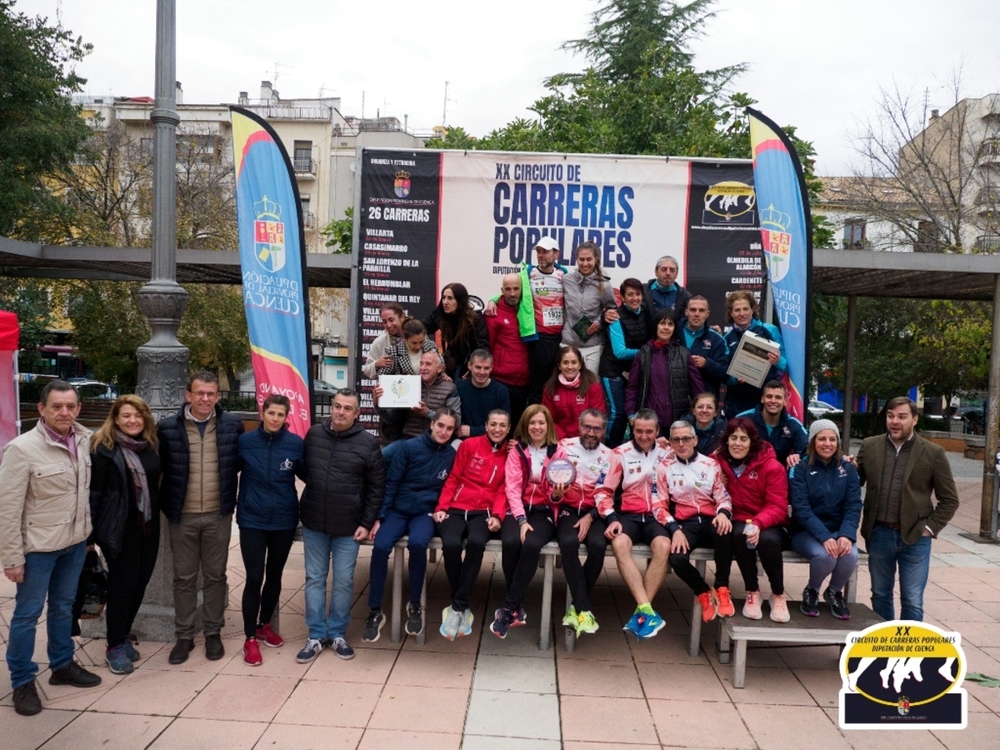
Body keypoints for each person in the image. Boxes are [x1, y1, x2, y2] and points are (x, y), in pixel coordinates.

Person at [0, 380, 101, 716]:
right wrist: (12, 557)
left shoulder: (85, 440)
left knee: (63, 607)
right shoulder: (21, 449)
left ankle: (61, 665)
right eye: (57, 406)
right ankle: (22, 681)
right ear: (41, 409)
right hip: (37, 549)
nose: (64, 412)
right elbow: (8, 508)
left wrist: (86, 539)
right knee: (27, 615)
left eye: (71, 406)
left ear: (78, 409)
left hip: (73, 546)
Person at [158, 370, 244, 665]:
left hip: (217, 515)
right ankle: (184, 635)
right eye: (200, 393)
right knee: (183, 578)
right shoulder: (168, 427)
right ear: (188, 395)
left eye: (211, 393)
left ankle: (212, 632)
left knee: (215, 576)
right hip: (182, 516)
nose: (205, 398)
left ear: (217, 396)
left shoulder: (232, 425)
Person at [298, 389, 385, 662]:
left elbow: (376, 487)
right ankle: (315, 635)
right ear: (331, 408)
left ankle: (336, 634)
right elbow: (304, 469)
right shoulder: (313, 435)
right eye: (337, 406)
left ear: (357, 413)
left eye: (348, 408)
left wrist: (366, 521)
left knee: (344, 582)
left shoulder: (368, 444)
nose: (341, 412)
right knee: (314, 579)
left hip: (350, 526)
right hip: (314, 521)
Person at [857, 396, 959, 621]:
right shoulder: (870, 446)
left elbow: (950, 499)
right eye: (890, 416)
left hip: (915, 537)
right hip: (879, 534)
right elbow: (854, 483)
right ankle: (883, 650)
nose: (895, 421)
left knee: (912, 600)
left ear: (914, 419)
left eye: (902, 417)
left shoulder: (933, 453)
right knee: (880, 594)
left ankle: (908, 653)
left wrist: (929, 529)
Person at [363, 409, 458, 642]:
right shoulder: (409, 447)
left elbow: (450, 487)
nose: (444, 432)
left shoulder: (450, 454)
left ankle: (415, 604)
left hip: (424, 513)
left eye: (449, 428)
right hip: (398, 509)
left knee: (417, 544)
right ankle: (375, 610)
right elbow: (392, 483)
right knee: (381, 546)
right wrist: (380, 517)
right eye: (440, 426)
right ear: (432, 424)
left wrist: (441, 510)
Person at [89, 395, 162, 675]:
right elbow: (95, 495)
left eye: (138, 415)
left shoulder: (150, 445)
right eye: (126, 416)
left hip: (147, 526)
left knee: (141, 582)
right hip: (118, 530)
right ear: (116, 419)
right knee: (123, 586)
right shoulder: (104, 449)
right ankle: (114, 645)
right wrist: (90, 537)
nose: (133, 421)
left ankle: (123, 633)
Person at [235, 394, 305, 667]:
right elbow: (229, 472)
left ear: (286, 417)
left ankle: (265, 625)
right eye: (271, 413)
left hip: (284, 520)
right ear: (262, 413)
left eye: (280, 415)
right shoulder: (245, 442)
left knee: (275, 576)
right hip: (252, 519)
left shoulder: (295, 444)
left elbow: (309, 475)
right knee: (254, 577)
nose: (275, 419)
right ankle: (250, 638)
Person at [595, 408, 675, 640]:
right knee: (619, 544)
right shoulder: (620, 453)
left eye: (649, 431)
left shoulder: (668, 452)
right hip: (628, 515)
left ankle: (642, 612)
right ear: (632, 430)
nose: (643, 436)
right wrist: (610, 517)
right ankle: (646, 611)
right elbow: (602, 491)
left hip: (657, 515)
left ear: (658, 431)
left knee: (663, 546)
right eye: (638, 431)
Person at [435, 410, 511, 640]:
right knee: (450, 545)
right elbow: (454, 477)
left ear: (508, 429)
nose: (497, 429)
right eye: (493, 424)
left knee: (477, 543)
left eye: (502, 426)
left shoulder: (510, 454)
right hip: (457, 507)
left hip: (484, 512)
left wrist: (497, 515)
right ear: (486, 426)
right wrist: (441, 507)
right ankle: (462, 604)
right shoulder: (469, 445)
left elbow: (504, 488)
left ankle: (457, 607)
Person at [490, 405, 560, 638]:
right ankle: (516, 606)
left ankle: (509, 607)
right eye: (532, 423)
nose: (537, 427)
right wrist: (520, 519)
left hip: (543, 511)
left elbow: (555, 495)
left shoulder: (558, 452)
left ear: (548, 425)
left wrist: (557, 494)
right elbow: (511, 488)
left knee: (530, 544)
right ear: (525, 426)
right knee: (510, 541)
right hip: (518, 508)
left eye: (541, 422)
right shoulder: (517, 451)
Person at [714, 417, 790, 622]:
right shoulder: (718, 461)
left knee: (768, 541)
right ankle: (752, 591)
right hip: (739, 517)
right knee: (738, 535)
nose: (738, 443)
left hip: (769, 520)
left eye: (743, 439)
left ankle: (777, 594)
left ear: (752, 442)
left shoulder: (772, 466)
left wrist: (758, 523)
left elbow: (778, 505)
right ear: (726, 440)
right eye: (733, 438)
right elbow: (692, 463)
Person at [659, 420, 735, 623]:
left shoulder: (711, 465)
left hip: (710, 519)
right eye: (676, 439)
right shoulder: (664, 467)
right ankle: (703, 591)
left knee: (725, 531)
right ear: (671, 443)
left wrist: (723, 514)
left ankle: (722, 587)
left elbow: (724, 497)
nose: (681, 443)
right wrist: (674, 529)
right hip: (685, 524)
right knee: (677, 560)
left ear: (695, 440)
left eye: (686, 438)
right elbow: (658, 506)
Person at [788, 419, 862, 620]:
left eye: (832, 439)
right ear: (813, 441)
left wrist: (846, 535)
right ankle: (812, 590)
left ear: (838, 442)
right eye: (821, 439)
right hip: (806, 531)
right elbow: (801, 509)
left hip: (839, 529)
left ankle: (834, 592)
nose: (827, 443)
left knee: (850, 555)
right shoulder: (801, 468)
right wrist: (824, 537)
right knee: (826, 556)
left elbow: (854, 505)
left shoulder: (848, 469)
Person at [485, 236, 569, 406]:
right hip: (539, 337)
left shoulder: (564, 275)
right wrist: (493, 299)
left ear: (556, 254)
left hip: (561, 337)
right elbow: (509, 291)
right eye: (538, 251)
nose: (541, 255)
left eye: (545, 251)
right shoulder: (528, 274)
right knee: (538, 385)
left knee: (557, 383)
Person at [554, 409, 612, 637]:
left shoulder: (611, 455)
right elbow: (552, 486)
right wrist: (558, 495)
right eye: (587, 427)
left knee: (598, 544)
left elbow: (611, 494)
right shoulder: (563, 448)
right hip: (567, 509)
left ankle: (576, 607)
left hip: (596, 512)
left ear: (604, 431)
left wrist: (591, 516)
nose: (591, 432)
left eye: (597, 428)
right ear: (579, 425)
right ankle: (584, 608)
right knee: (568, 543)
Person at [626, 308, 704, 434]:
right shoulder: (643, 354)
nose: (666, 328)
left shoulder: (684, 354)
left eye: (670, 324)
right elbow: (632, 387)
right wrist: (630, 413)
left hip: (678, 421)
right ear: (655, 326)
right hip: (650, 423)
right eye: (662, 323)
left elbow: (697, 388)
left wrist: (700, 410)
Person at [598, 277, 652, 448]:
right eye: (630, 294)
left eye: (637, 294)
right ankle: (609, 450)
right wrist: (647, 353)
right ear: (622, 297)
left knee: (636, 413)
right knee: (618, 413)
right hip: (612, 371)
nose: (634, 298)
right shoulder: (615, 316)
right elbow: (620, 352)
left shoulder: (646, 313)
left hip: (634, 372)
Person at [722, 291, 787, 417]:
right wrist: (734, 379)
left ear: (753, 310)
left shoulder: (770, 330)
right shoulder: (727, 338)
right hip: (737, 400)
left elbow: (786, 365)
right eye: (737, 310)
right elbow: (722, 372)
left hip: (766, 399)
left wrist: (778, 361)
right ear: (731, 313)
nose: (742, 314)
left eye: (746, 309)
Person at [375, 350, 462, 442]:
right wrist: (377, 404)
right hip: (409, 440)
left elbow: (457, 422)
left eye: (428, 364)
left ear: (440, 368)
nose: (423, 368)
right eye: (421, 363)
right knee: (384, 454)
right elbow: (390, 419)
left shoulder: (450, 388)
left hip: (436, 442)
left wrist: (427, 413)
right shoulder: (409, 383)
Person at [561, 241, 617, 373]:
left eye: (589, 259)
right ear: (576, 259)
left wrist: (600, 321)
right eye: (581, 259)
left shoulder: (605, 284)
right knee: (567, 384)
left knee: (590, 386)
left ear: (596, 259)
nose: (585, 263)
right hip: (568, 342)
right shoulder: (566, 280)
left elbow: (612, 311)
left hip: (593, 346)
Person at [484, 274, 530, 428]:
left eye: (516, 289)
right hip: (500, 380)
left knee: (516, 427)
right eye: (508, 289)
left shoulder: (528, 309)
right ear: (502, 290)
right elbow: (487, 345)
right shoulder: (494, 313)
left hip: (523, 382)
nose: (512, 293)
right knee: (498, 425)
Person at [424, 282, 489, 379]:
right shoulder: (440, 313)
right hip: (450, 361)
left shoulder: (475, 317)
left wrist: (473, 368)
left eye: (450, 298)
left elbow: (482, 346)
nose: (445, 302)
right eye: (443, 297)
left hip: (469, 363)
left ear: (460, 300)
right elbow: (422, 328)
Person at [736, 380, 808, 468]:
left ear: (785, 401)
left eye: (778, 397)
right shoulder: (743, 419)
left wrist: (798, 456)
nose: (773, 401)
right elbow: (724, 447)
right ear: (762, 399)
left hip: (779, 477)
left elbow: (808, 451)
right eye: (769, 396)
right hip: (746, 475)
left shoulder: (793, 424)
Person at [542, 345, 606, 440]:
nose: (570, 367)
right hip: (560, 440)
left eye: (574, 362)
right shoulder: (550, 388)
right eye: (565, 363)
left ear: (580, 365)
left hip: (587, 439)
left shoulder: (593, 386)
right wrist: (563, 438)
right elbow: (547, 419)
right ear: (559, 366)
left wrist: (579, 437)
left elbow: (597, 418)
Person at [678, 295, 729, 400]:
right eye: (693, 310)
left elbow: (726, 374)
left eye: (701, 310)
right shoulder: (673, 334)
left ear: (707, 314)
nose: (697, 314)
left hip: (704, 403)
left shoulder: (717, 340)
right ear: (686, 312)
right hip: (675, 399)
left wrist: (707, 364)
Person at [456, 349, 510, 439]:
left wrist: (473, 431)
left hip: (492, 439)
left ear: (492, 367)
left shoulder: (501, 391)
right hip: (464, 439)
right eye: (478, 367)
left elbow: (505, 423)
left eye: (486, 368)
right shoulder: (459, 387)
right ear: (469, 365)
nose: (482, 372)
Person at [362, 302, 406, 379]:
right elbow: (366, 369)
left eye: (391, 320)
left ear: (402, 317)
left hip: (413, 387)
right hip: (388, 388)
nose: (388, 325)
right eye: (384, 322)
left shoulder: (415, 336)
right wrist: (376, 364)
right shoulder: (379, 342)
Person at [642, 254, 691, 321]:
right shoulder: (642, 292)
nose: (668, 273)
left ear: (676, 274)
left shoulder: (685, 296)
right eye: (664, 269)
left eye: (672, 270)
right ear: (656, 272)